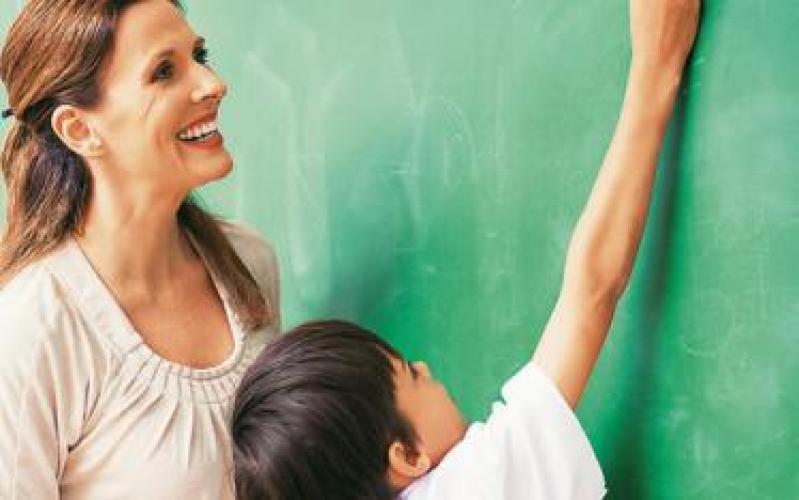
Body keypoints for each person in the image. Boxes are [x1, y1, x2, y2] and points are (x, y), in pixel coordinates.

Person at [229, 0, 701, 498]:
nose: (426, 368)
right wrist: (657, 63)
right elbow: (592, 292)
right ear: (407, 456)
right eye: (412, 376)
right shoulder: (477, 482)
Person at [0, 1, 279, 498]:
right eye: (163, 72)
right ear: (79, 129)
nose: (213, 84)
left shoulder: (249, 263)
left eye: (200, 56)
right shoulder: (33, 325)